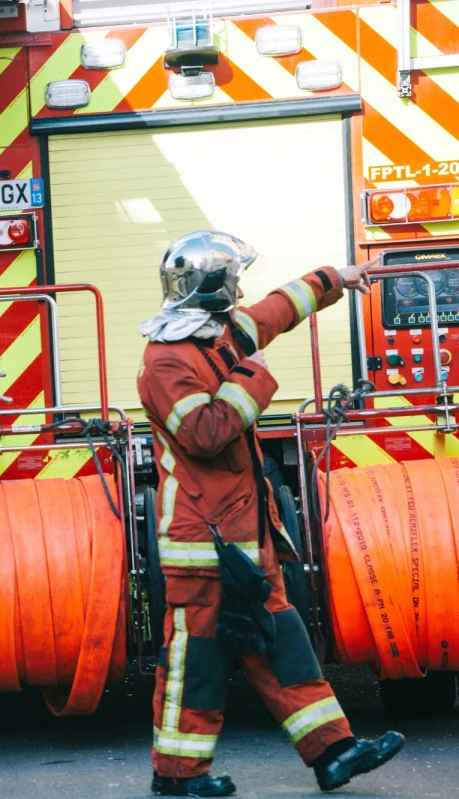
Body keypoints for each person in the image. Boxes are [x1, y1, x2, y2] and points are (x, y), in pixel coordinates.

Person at [137, 231, 403, 797]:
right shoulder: (165, 361)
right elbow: (204, 433)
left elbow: (276, 311)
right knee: (198, 662)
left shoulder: (220, 336)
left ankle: (333, 751)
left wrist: (337, 278)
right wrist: (252, 376)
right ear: (214, 287)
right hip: (203, 545)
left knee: (281, 641)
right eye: (233, 278)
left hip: (243, 535)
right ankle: (177, 776)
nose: (241, 289)